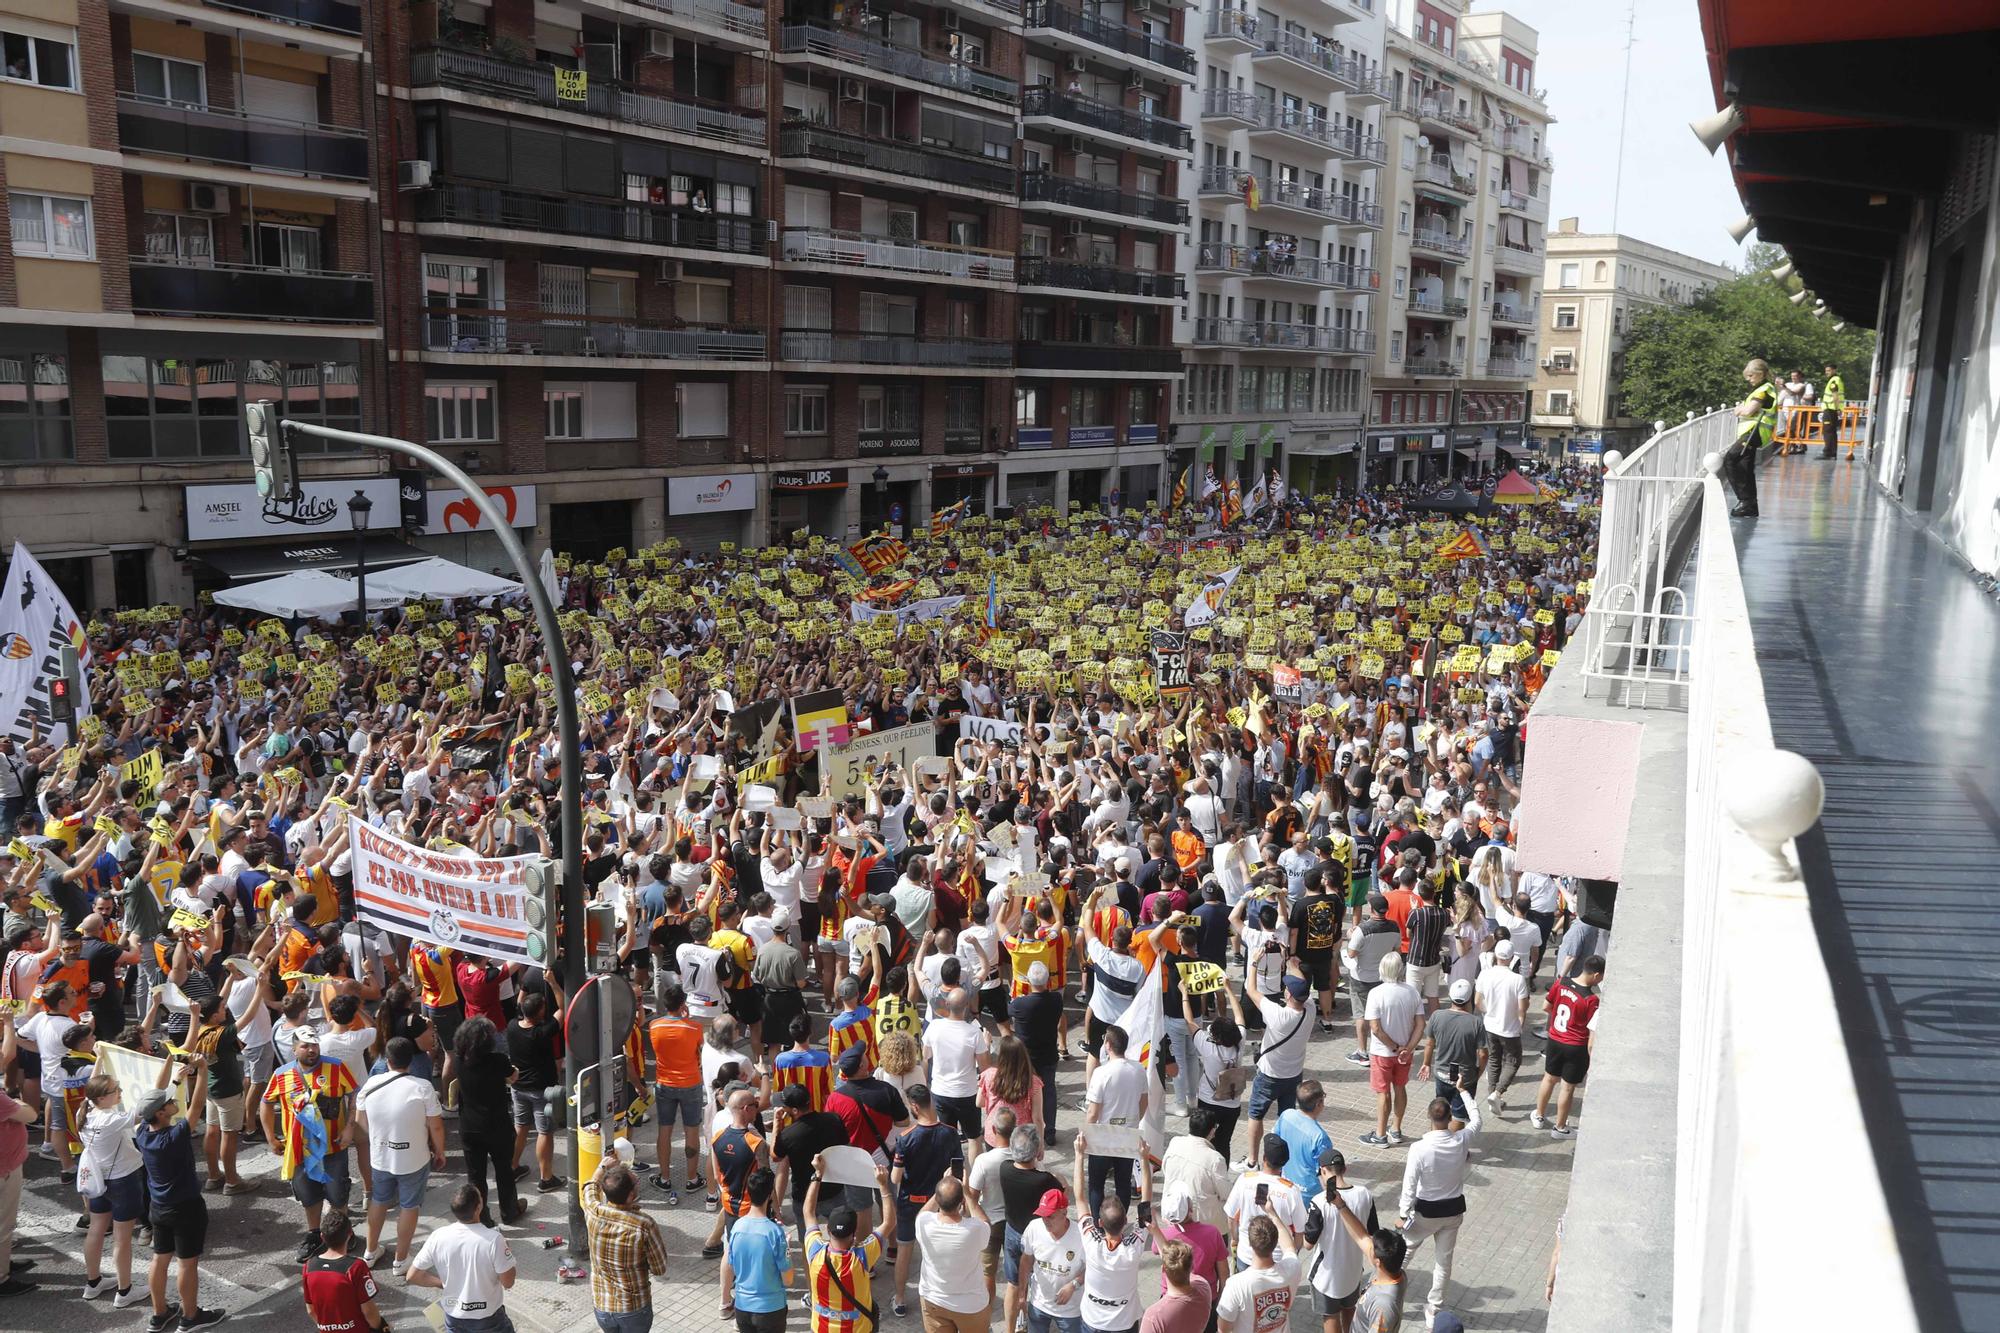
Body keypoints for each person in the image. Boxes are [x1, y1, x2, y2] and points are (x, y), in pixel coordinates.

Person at [133, 1058, 224, 1333]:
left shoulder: (142, 1133)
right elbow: (197, 1106)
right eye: (168, 1103)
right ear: (161, 1114)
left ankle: (159, 1313)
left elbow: (158, 1099)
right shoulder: (176, 1135)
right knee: (187, 1263)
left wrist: (177, 1077)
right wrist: (203, 1071)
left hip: (159, 1208)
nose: (174, 1103)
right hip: (186, 1207)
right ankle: (190, 1316)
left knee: (160, 1259)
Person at [260, 1026, 360, 1262]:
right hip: (300, 1152)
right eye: (305, 1046)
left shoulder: (336, 1067)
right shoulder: (281, 1074)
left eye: (314, 1045)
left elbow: (355, 1094)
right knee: (309, 1197)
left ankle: (342, 1232)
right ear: (294, 1049)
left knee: (338, 1195)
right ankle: (315, 1235)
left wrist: (350, 1127)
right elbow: (265, 1102)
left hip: (334, 1148)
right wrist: (270, 1137)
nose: (311, 1050)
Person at [357, 1036, 446, 1276]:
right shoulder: (422, 1087)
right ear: (411, 1061)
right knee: (409, 1205)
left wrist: (379, 1139)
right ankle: (400, 1260)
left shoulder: (370, 1085)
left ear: (387, 1060)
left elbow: (360, 1122)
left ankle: (370, 1251)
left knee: (379, 1201)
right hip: (413, 1159)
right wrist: (440, 1151)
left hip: (380, 1157)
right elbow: (436, 1127)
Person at [1398, 1077, 1480, 1326]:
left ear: (1429, 1117)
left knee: (1403, 1253)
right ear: (1448, 1119)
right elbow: (1477, 1119)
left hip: (1425, 1212)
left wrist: (1403, 1213)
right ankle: (1434, 1310)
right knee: (1443, 1263)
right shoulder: (1461, 1140)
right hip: (1453, 1211)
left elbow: (1409, 1184)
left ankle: (1383, 1288)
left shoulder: (1419, 1148)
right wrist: (1463, 1091)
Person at [77, 1070, 150, 1306]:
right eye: (115, 1089)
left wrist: (99, 1058)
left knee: (96, 1230)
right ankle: (125, 1291)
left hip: (98, 1181)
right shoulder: (111, 1119)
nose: (120, 1091)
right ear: (101, 1098)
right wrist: (175, 1080)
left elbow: (93, 1084)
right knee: (122, 1239)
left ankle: (93, 1282)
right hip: (123, 1181)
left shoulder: (84, 1111)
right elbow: (147, 1109)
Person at [803, 1154, 896, 1333]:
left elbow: (808, 1212)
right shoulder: (862, 1255)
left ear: (828, 1232)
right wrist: (883, 1185)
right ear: (854, 1235)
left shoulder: (814, 1250)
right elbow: (889, 1223)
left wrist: (817, 1174)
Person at [406, 1183, 518, 1333]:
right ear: (479, 1207)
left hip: (454, 1318)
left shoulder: (438, 1236)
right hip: (488, 1319)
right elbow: (508, 1282)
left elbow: (413, 1276)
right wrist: (507, 1252)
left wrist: (441, 1284)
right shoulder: (494, 1240)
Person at [450, 1016, 527, 1228]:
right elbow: (514, 1076)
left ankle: (481, 1216)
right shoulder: (498, 1060)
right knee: (504, 1171)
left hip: (469, 1126)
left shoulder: (459, 1060)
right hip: (497, 1125)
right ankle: (509, 1210)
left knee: (476, 1175)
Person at [888, 1083, 957, 1315]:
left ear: (915, 1107)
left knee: (904, 1251)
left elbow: (896, 1177)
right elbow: (957, 1170)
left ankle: (899, 1299)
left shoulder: (906, 1138)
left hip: (910, 1204)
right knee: (938, 1253)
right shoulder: (949, 1133)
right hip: (940, 1204)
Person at [581, 1155, 668, 1333]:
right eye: (635, 1181)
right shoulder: (644, 1224)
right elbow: (659, 1269)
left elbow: (590, 1187)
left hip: (602, 1306)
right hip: (633, 1308)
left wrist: (602, 1167)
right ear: (630, 1196)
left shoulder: (593, 1212)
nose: (637, 1180)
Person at [1070, 1145, 1147, 1333]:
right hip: (1125, 1325)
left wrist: (1079, 1155)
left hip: (1092, 1322)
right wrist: (1144, 1160)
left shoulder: (1091, 1242)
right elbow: (1146, 1200)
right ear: (1126, 1220)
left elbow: (1079, 1198)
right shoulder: (1134, 1247)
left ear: (1099, 1222)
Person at [1243, 966, 1313, 1164]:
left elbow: (1251, 989)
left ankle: (1252, 1160)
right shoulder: (1310, 1009)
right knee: (1286, 1119)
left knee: (1255, 1114)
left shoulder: (1278, 1015)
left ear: (1288, 994)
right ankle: (1281, 1161)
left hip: (1269, 1075)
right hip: (1294, 1075)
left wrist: (1254, 963)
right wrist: (1294, 964)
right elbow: (1302, 984)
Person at [1530, 955, 1603, 1139]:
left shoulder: (1561, 983)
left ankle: (1539, 1115)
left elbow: (1546, 1006)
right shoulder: (1591, 999)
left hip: (1554, 1040)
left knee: (1548, 1079)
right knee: (1567, 1088)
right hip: (1576, 1046)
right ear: (1595, 975)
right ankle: (1560, 1127)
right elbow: (1591, 1028)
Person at [1303, 1151, 1376, 1333]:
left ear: (1323, 1171)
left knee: (1330, 1317)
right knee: (1350, 1313)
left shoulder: (1319, 1201)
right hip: (1353, 1272)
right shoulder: (1365, 1194)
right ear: (1344, 1169)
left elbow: (1307, 1244)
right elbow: (1372, 1233)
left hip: (1326, 1278)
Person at [648, 985, 708, 1203]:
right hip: (690, 1083)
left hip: (664, 1084)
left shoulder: (654, 1026)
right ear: (683, 1005)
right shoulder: (695, 1028)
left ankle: (664, 1177)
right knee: (692, 1129)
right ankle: (692, 1179)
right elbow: (700, 1052)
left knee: (664, 1129)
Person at [1081, 1023, 1147, 1215]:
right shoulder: (1138, 1069)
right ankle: (1120, 1221)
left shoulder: (1101, 1073)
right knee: (1123, 1182)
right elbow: (1144, 1102)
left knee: (1096, 1184)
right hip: (1127, 1132)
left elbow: (1093, 1113)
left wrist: (1085, 1134)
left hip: (1103, 1134)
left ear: (1108, 1045)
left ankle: (1097, 1223)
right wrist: (1133, 1121)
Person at [916, 1172, 993, 1333]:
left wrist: (942, 1186)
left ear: (937, 1200)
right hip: (971, 1305)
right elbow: (985, 1223)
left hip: (933, 1300)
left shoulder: (924, 1223)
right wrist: (968, 1193)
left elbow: (923, 1213)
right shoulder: (974, 1229)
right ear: (961, 1202)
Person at [1322, 1188, 1406, 1333]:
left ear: (1378, 1262)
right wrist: (1340, 1205)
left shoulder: (1383, 1305)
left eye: (1372, 1247)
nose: (1369, 1243)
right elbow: (1361, 1236)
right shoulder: (1393, 1269)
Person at [1358, 955, 1421, 1148]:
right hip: (1404, 1053)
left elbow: (1375, 1028)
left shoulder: (1376, 993)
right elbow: (1420, 1024)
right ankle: (1396, 1129)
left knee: (1383, 1093)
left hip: (1382, 1053)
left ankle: (1380, 1134)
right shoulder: (1412, 992)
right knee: (1400, 1088)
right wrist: (1408, 1048)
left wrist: (1394, 1046)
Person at [504, 991, 563, 1193]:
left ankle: (512, 1167)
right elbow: (563, 1009)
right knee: (544, 1132)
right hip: (541, 1090)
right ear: (540, 1012)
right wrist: (554, 984)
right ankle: (546, 1178)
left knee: (520, 1126)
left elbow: (521, 1004)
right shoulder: (542, 1032)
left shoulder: (512, 1027)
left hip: (518, 1088)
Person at [722, 1166, 793, 1331]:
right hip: (771, 1310)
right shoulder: (775, 1233)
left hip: (742, 1308)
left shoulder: (737, 1227)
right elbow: (788, 1279)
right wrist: (787, 1250)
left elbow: (731, 1265)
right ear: (770, 1196)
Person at [1223, 1134, 1306, 1270]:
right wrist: (1292, 1253)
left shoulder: (1244, 1180)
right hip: (1278, 1259)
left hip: (1247, 1254)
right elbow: (1300, 1231)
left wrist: (1236, 1239)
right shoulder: (1292, 1191)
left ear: (1264, 1158)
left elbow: (1231, 1217)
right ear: (1284, 1163)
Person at [705, 1086, 769, 1260]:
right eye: (755, 1104)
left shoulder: (717, 1137)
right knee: (755, 1252)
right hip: (753, 1207)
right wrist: (775, 1208)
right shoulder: (756, 1142)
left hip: (729, 1204)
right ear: (746, 1109)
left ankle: (730, 1283)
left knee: (732, 1249)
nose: (758, 1106)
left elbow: (717, 1175)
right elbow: (766, 1180)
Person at [1214, 1209, 1302, 1333]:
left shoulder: (1236, 1284)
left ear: (1250, 1243)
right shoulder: (1292, 1268)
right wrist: (1272, 1213)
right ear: (1276, 1242)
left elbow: (1223, 1329)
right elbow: (1289, 1246)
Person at [302, 1210, 390, 1333]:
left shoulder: (309, 1266)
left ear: (322, 1236)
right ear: (349, 1234)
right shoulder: (356, 1267)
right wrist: (380, 1328)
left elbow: (311, 1310)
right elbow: (368, 1310)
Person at [1008, 961, 1064, 1146]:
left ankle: (1026, 1128)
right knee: (1049, 1092)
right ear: (1048, 981)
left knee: (1024, 1093)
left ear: (1029, 981)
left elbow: (1008, 1010)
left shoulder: (1020, 1004)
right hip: (1048, 1056)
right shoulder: (1056, 1000)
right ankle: (1050, 1131)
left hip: (1026, 1060)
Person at [1419, 980, 1486, 1129]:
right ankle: (1455, 1149)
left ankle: (1435, 1144)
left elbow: (1429, 1043)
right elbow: (1482, 1054)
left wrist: (1426, 1064)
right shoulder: (1476, 1023)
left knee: (1439, 1110)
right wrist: (1478, 1073)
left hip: (1442, 1075)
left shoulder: (1436, 1016)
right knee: (1459, 1116)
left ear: (1450, 996)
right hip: (1466, 1078)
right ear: (1470, 998)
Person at [1474, 940, 1528, 1112]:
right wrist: (1520, 1022)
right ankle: (1497, 1093)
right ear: (1512, 958)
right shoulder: (1517, 979)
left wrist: (1487, 1012)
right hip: (1510, 1028)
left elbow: (1477, 1001)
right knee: (1513, 1061)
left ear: (1496, 955)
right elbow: (1522, 1007)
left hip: (1489, 1025)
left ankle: (1493, 1094)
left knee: (1494, 1059)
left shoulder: (1485, 975)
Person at [1724, 357, 1777, 517]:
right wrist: (1742, 408)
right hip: (1754, 432)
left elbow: (1748, 411)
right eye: (1747, 376)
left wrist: (1740, 409)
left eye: (1751, 376)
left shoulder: (1764, 389)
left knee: (1730, 460)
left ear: (1761, 374)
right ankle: (1750, 505)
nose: (1749, 380)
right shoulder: (1764, 388)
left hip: (1755, 431)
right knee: (1745, 467)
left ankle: (1745, 501)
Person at [1275, 1079, 1333, 1201]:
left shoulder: (1286, 1115)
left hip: (1286, 1184)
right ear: (1319, 1103)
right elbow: (1325, 1173)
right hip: (1309, 1194)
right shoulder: (1320, 1137)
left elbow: (1275, 1141)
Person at [1820, 361, 1847, 460]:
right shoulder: (1836, 379)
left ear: (1834, 370)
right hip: (1831, 409)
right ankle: (1832, 453)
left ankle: (1828, 452)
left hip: (1830, 409)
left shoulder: (1834, 380)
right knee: (1831, 431)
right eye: (1826, 371)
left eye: (1829, 370)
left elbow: (1835, 396)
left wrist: (1837, 409)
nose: (1826, 372)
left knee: (1828, 431)